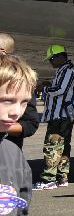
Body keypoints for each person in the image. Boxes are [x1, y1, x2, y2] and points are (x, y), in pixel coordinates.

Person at [34, 44, 74, 190]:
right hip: (63, 116)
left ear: (60, 57)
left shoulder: (67, 71)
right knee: (63, 147)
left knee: (52, 146)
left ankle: (49, 179)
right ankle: (62, 177)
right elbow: (61, 88)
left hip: (61, 116)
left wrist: (45, 88)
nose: (50, 62)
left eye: (52, 59)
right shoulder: (64, 70)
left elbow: (61, 90)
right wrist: (50, 84)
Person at [0, 53, 37, 215]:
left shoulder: (14, 154)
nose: (16, 112)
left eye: (24, 102)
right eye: (7, 100)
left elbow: (21, 205)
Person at [0, 34, 39, 150]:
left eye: (24, 102)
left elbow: (30, 124)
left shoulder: (20, 80)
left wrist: (4, 127)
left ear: (2, 51)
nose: (16, 112)